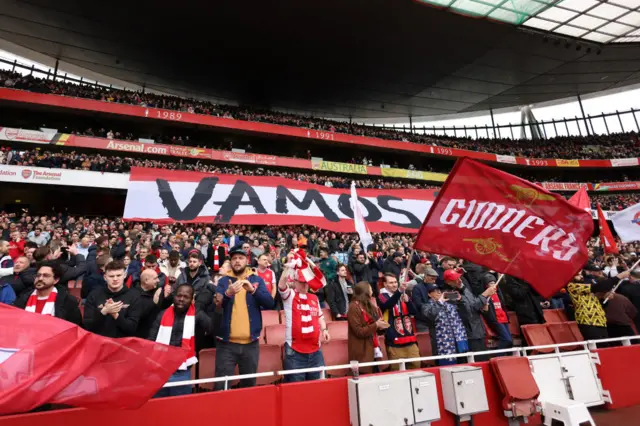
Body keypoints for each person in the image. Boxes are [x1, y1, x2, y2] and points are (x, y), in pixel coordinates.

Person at [214, 245, 275, 390]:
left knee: (249, 387)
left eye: (240, 258)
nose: (237, 261)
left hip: (251, 344)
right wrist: (228, 294)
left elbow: (269, 304)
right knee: (222, 387)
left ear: (247, 261)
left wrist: (253, 291)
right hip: (226, 345)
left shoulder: (256, 280)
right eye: (234, 258)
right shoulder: (223, 281)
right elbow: (217, 308)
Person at [149, 284, 214, 397]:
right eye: (179, 295)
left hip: (182, 371)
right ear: (174, 296)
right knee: (158, 406)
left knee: (179, 407)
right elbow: (151, 340)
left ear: (192, 299)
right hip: (160, 369)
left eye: (186, 296)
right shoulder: (162, 314)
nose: (181, 299)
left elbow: (211, 328)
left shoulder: (197, 314)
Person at [278, 257, 330, 383]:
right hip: (295, 352)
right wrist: (289, 266)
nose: (305, 284)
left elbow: (319, 316)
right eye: (301, 282)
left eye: (306, 282)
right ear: (295, 282)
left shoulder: (314, 298)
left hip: (315, 351)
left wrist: (324, 329)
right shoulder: (290, 296)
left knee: (315, 386)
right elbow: (281, 285)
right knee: (296, 388)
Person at [83, 260, 144, 337]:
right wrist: (104, 311)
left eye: (118, 275)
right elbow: (87, 326)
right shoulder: (94, 295)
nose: (115, 279)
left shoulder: (135, 296)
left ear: (125, 275)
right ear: (105, 277)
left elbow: (131, 329)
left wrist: (115, 315)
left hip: (123, 344)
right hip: (99, 342)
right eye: (111, 276)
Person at [567, 267, 630, 340]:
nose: (581, 276)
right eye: (578, 275)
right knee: (598, 346)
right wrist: (619, 277)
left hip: (600, 321)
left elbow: (600, 305)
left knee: (604, 347)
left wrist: (605, 298)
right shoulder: (572, 286)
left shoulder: (586, 291)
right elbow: (599, 286)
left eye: (581, 274)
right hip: (588, 322)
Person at [442, 269, 495, 355]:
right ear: (448, 282)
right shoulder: (447, 294)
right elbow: (470, 308)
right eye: (455, 279)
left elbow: (474, 304)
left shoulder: (464, 289)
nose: (459, 280)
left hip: (478, 329)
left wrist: (483, 308)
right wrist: (484, 294)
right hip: (468, 333)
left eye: (459, 277)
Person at [13, 261, 82, 325]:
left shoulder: (67, 301)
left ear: (56, 280)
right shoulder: (23, 298)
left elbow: (76, 329)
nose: (40, 279)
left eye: (46, 276)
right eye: (38, 275)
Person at [377, 273, 420, 370]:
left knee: (416, 368)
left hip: (410, 340)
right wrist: (399, 291)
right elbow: (387, 305)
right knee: (397, 372)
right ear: (385, 284)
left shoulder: (403, 294)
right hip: (394, 342)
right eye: (391, 282)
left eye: (395, 282)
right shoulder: (381, 296)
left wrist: (408, 301)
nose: (394, 285)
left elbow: (414, 312)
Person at [347, 281, 389, 374]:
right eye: (370, 289)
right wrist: (376, 325)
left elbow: (376, 325)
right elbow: (359, 331)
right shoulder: (353, 307)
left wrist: (382, 326)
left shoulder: (371, 306)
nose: (372, 292)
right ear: (365, 291)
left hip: (373, 349)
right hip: (362, 351)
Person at [421, 283, 468, 365]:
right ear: (429, 294)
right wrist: (440, 302)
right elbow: (431, 315)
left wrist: (460, 301)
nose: (439, 292)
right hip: (443, 345)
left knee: (464, 366)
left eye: (439, 290)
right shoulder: (426, 306)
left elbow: (466, 315)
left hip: (459, 342)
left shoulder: (451, 304)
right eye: (435, 291)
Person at [131, 268, 172, 338]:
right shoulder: (133, 294)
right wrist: (154, 304)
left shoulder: (158, 291)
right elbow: (137, 316)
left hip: (154, 334)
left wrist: (167, 297)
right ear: (146, 280)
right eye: (155, 278)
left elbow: (163, 308)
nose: (158, 280)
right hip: (138, 336)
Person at [480, 274, 512, 351]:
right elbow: (485, 312)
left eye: (494, 282)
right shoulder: (486, 296)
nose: (493, 284)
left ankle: (505, 357)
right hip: (496, 320)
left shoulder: (499, 293)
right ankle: (497, 356)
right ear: (486, 285)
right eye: (490, 283)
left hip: (504, 319)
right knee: (507, 339)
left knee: (510, 342)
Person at [411, 267, 440, 332]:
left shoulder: (435, 286)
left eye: (435, 279)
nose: (434, 281)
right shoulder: (417, 287)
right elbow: (418, 303)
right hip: (422, 320)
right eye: (432, 279)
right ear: (426, 276)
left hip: (434, 318)